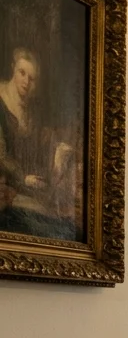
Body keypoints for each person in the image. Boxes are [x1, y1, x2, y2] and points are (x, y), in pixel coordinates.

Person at [0, 46, 81, 241]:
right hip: (6, 182)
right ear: (13, 68)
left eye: (32, 78)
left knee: (59, 223)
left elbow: (35, 148)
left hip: (26, 184)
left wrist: (57, 152)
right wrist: (22, 177)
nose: (26, 81)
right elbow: (1, 155)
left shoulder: (31, 111)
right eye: (22, 73)